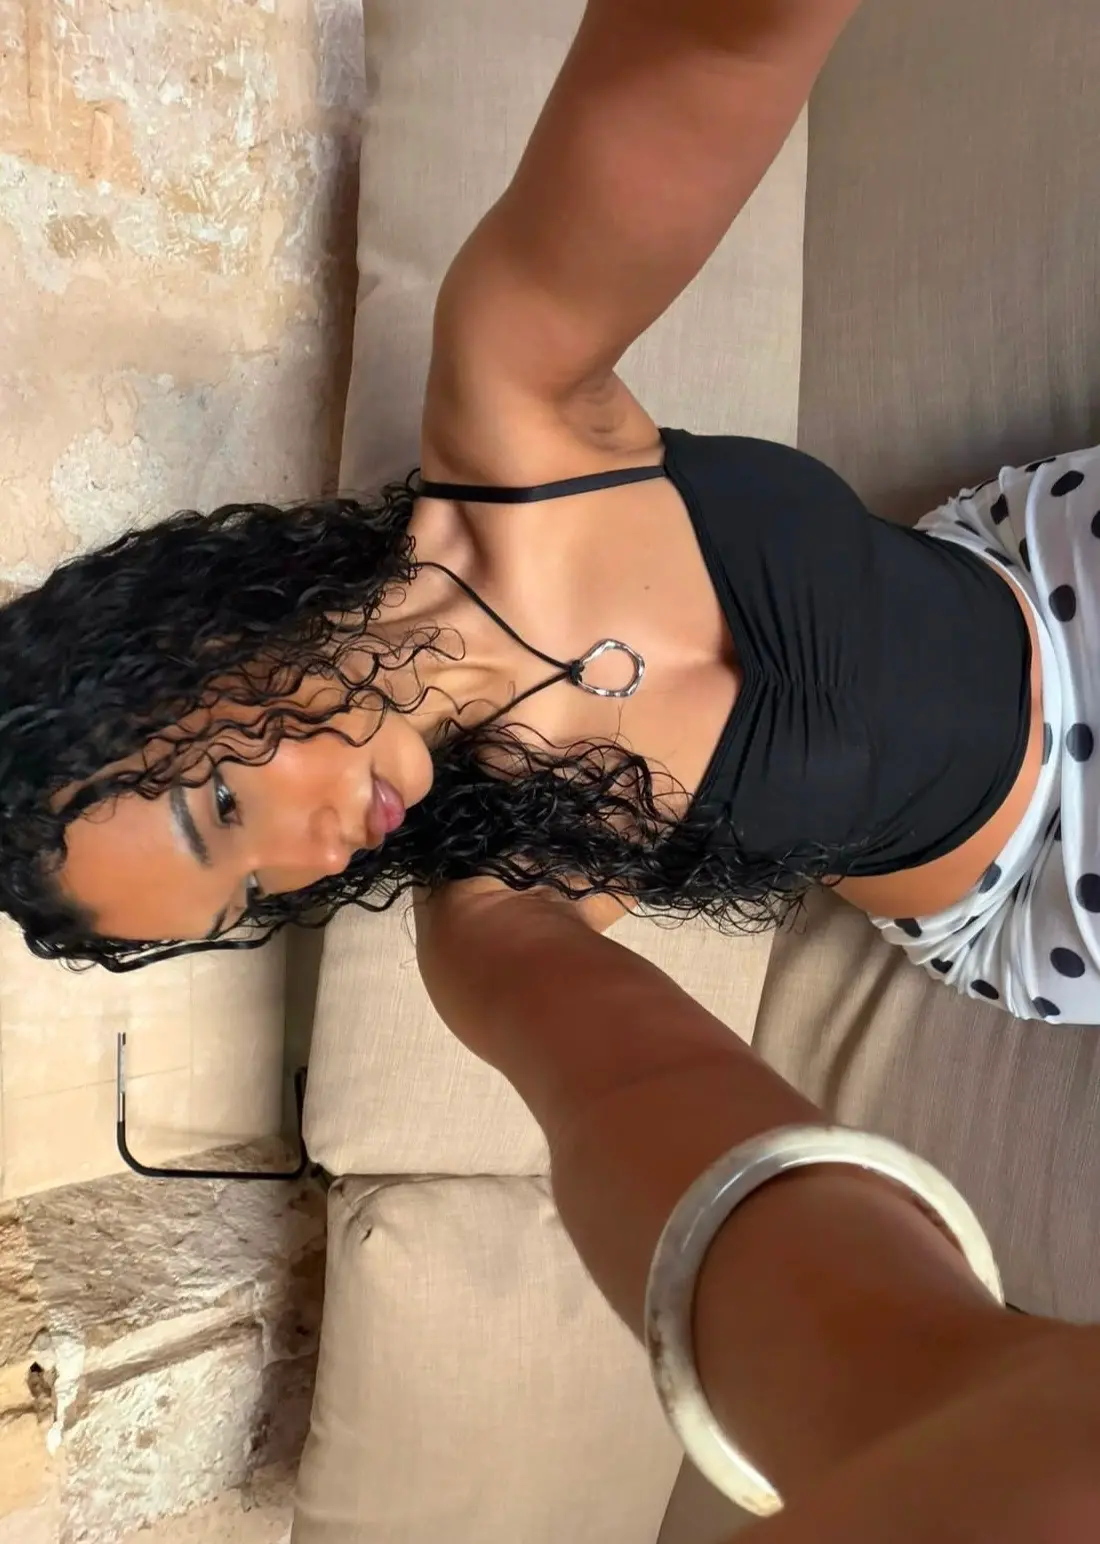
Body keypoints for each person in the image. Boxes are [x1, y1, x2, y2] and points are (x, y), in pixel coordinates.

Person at [4, 1, 1100, 1533]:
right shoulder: (497, 897)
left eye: (227, 809)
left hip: (1052, 569)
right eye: (251, 892)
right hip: (1053, 879)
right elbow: (625, 1089)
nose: (311, 861)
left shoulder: (518, 401)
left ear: (187, 649)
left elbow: (710, 56)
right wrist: (911, 1391)